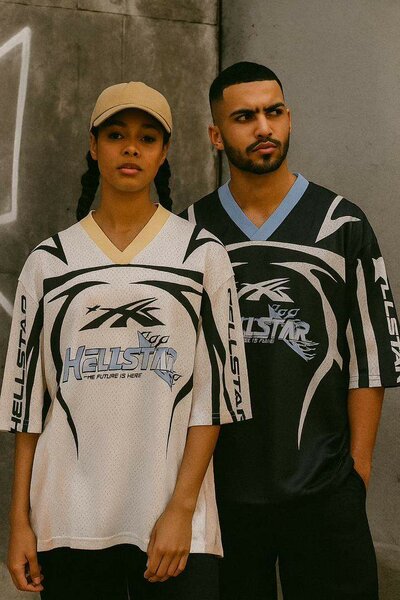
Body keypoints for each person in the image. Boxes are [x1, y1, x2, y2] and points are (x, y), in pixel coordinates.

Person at [1, 81, 251, 600]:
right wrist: (20, 521)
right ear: (93, 147)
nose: (131, 148)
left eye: (147, 138)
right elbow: (28, 409)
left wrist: (182, 509)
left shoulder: (202, 254)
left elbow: (215, 400)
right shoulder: (49, 262)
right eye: (116, 135)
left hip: (173, 526)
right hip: (68, 522)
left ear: (164, 152)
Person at [181, 61, 400, 600]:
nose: (264, 127)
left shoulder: (342, 223)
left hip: (324, 492)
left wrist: (356, 474)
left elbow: (369, 359)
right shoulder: (187, 231)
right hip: (223, 494)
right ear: (216, 135)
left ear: (289, 118)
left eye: (274, 112)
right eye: (244, 117)